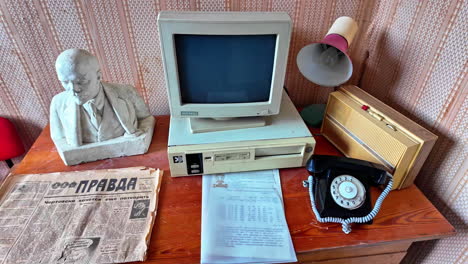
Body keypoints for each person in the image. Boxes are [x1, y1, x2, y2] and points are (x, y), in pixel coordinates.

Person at [50, 49, 151, 147]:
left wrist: (138, 138)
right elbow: (59, 139)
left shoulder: (127, 92)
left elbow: (146, 119)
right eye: (65, 82)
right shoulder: (57, 104)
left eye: (81, 81)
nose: (73, 89)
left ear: (98, 76)